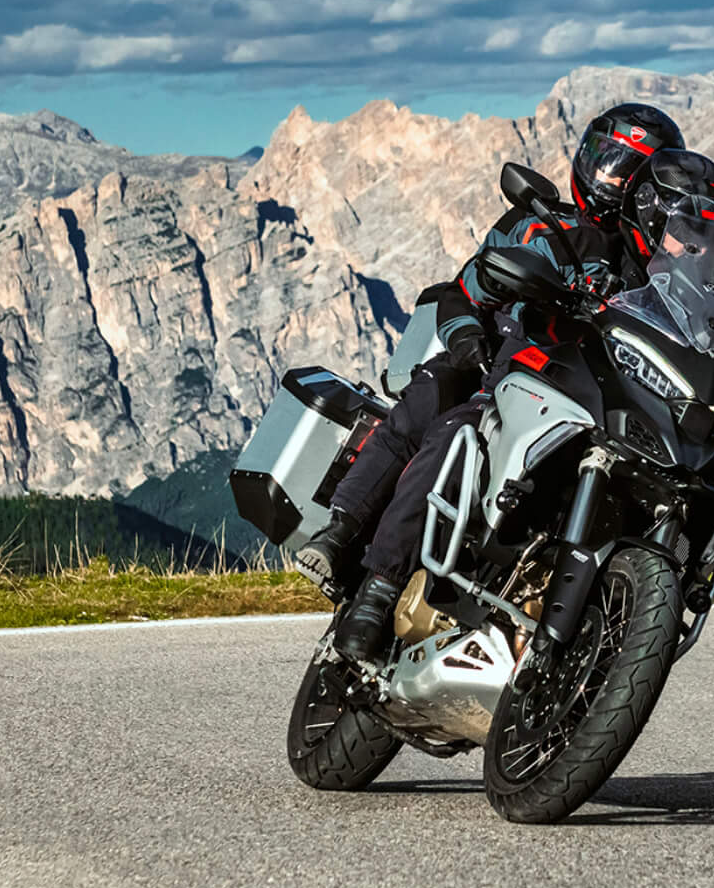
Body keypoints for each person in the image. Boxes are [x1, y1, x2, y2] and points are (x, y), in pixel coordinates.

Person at [333, 147, 714, 664]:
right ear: (652, 215)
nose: (699, 248)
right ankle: (378, 589)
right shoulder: (576, 242)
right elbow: (481, 286)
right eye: (690, 233)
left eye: (713, 239)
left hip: (617, 419)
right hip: (537, 388)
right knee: (458, 433)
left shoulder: (691, 301)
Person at [291, 102, 685, 595]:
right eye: (604, 159)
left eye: (626, 170)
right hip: (497, 365)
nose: (609, 178)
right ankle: (358, 558)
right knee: (437, 405)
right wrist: (466, 340)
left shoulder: (651, 270)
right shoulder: (537, 223)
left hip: (580, 395)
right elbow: (464, 292)